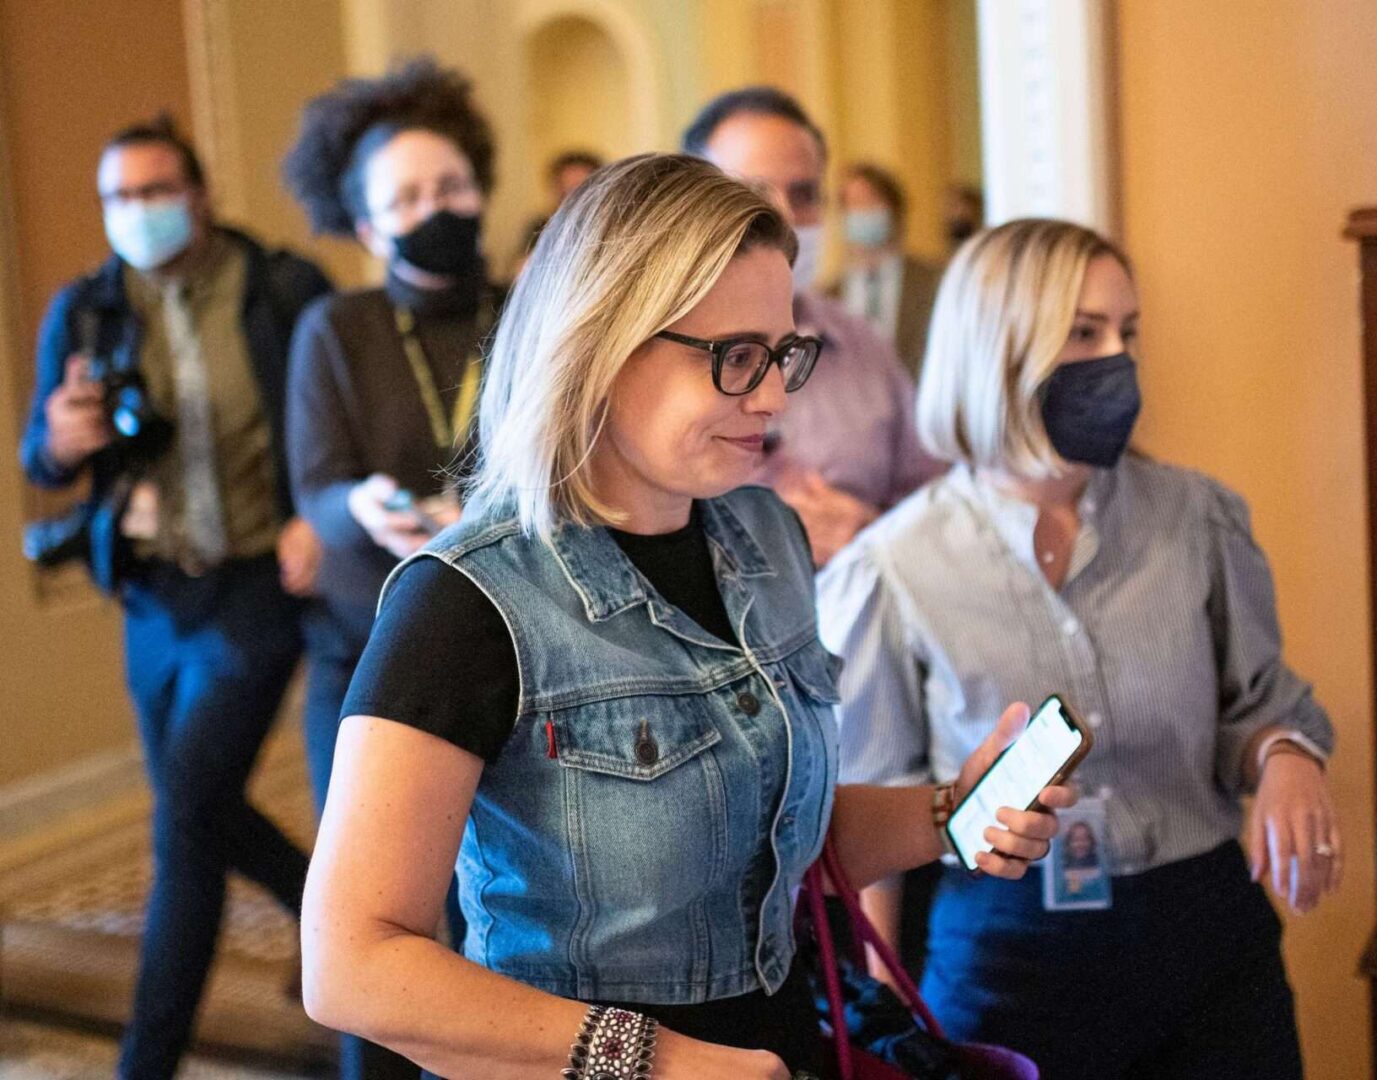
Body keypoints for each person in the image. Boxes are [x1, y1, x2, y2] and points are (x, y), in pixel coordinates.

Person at [298, 153, 1072, 1080]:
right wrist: (654, 1059)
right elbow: (352, 964)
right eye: (735, 358)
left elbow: (762, 838)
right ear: (601, 343)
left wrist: (950, 811)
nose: (774, 397)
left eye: (782, 356)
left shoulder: (766, 536)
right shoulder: (467, 599)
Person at [820, 219, 1343, 1080]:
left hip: (1206, 939)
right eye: (1084, 332)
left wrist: (1289, 756)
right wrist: (883, 1021)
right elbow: (876, 812)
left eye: (1128, 332)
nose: (1118, 359)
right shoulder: (891, 567)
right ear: (999, 349)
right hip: (1005, 955)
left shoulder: (1198, 518)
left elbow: (1259, 706)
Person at [18, 116, 330, 1080]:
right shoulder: (87, 310)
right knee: (202, 808)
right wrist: (60, 442)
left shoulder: (283, 290)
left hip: (258, 585)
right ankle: (328, 910)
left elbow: (333, 422)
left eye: (155, 191)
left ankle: (144, 1062)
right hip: (153, 597)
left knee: (185, 820)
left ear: (199, 193)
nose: (137, 212)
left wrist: (315, 512)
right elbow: (40, 456)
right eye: (118, 197)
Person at [280, 56, 502, 1080]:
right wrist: (364, 508)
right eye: (406, 198)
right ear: (367, 227)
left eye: (449, 187)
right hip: (362, 653)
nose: (434, 211)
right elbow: (317, 486)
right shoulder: (338, 328)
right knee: (371, 931)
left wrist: (485, 513)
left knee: (490, 915)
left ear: (480, 190)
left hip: (505, 655)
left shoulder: (527, 311)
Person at [682, 88, 941, 566]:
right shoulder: (659, 354)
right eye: (754, 193)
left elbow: (934, 502)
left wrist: (875, 539)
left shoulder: (864, 344)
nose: (783, 216)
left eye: (804, 195)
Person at [835, 162, 943, 379]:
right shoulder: (830, 294)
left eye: (870, 202)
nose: (861, 212)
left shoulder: (933, 282)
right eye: (852, 205)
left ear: (894, 210)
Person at [513, 149, 604, 271]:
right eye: (564, 192)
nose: (571, 200)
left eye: (580, 191)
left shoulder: (610, 230)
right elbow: (519, 269)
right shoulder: (541, 227)